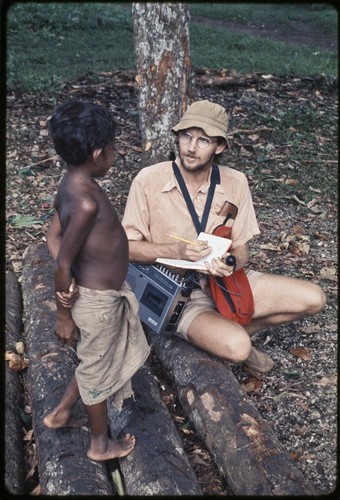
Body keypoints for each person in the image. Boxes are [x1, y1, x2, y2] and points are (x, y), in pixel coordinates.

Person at [122, 100, 326, 372]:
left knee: (314, 298)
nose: (191, 148)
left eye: (203, 140)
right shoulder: (148, 180)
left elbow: (241, 248)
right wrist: (176, 251)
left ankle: (235, 328)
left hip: (224, 283)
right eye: (186, 136)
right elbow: (126, 249)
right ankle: (230, 337)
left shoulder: (235, 181)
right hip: (176, 293)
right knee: (238, 349)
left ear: (219, 147)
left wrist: (230, 262)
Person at [43, 100, 150, 461]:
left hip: (102, 297)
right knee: (97, 372)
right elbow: (64, 263)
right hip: (97, 303)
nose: (117, 154)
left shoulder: (72, 182)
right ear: (99, 152)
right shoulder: (86, 201)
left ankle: (60, 413)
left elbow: (53, 235)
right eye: (115, 148)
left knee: (94, 360)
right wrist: (63, 314)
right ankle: (100, 444)